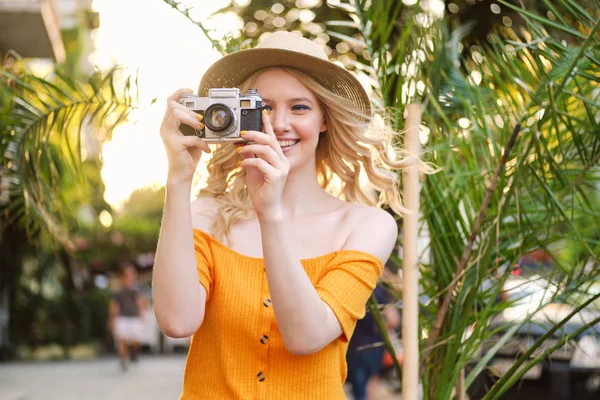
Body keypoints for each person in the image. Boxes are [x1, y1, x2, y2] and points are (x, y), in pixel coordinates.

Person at [152, 31, 413, 399]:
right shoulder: (204, 215)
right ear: (240, 115)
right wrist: (178, 179)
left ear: (324, 119)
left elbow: (306, 336)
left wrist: (270, 214)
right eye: (264, 107)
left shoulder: (366, 226)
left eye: (300, 107)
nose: (279, 124)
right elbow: (177, 322)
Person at [346, 276, 401, 400]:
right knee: (369, 386)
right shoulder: (377, 291)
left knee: (358, 390)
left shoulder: (349, 287)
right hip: (373, 346)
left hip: (353, 346)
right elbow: (393, 319)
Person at [109, 264, 144, 371]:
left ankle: (133, 351)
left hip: (134, 317)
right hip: (122, 317)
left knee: (136, 340)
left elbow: (139, 302)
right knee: (122, 339)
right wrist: (112, 319)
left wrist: (141, 315)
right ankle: (123, 359)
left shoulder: (136, 289)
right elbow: (115, 305)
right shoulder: (118, 290)